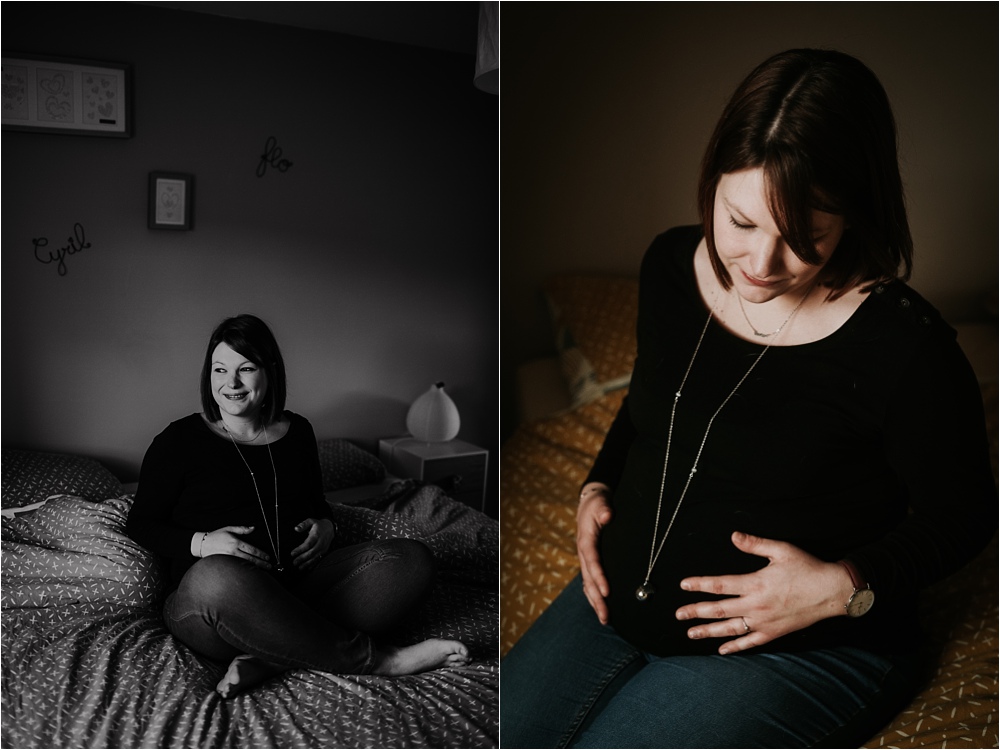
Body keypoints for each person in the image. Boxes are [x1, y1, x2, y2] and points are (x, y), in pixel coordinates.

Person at [500, 48, 995, 748]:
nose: (761, 266)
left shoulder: (906, 346)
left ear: (854, 217)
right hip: (617, 598)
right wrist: (595, 484)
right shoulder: (670, 265)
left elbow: (967, 514)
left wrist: (844, 583)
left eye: (804, 238)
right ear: (712, 184)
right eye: (740, 222)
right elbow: (656, 400)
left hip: (806, 646)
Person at [126, 314, 469, 698]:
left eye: (246, 368)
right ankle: (375, 661)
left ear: (270, 371)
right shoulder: (178, 441)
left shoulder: (298, 433)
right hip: (208, 606)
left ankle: (273, 657)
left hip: (295, 588)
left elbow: (316, 503)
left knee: (411, 559)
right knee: (216, 576)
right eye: (220, 369)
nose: (231, 383)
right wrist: (203, 544)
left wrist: (327, 526)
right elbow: (140, 524)